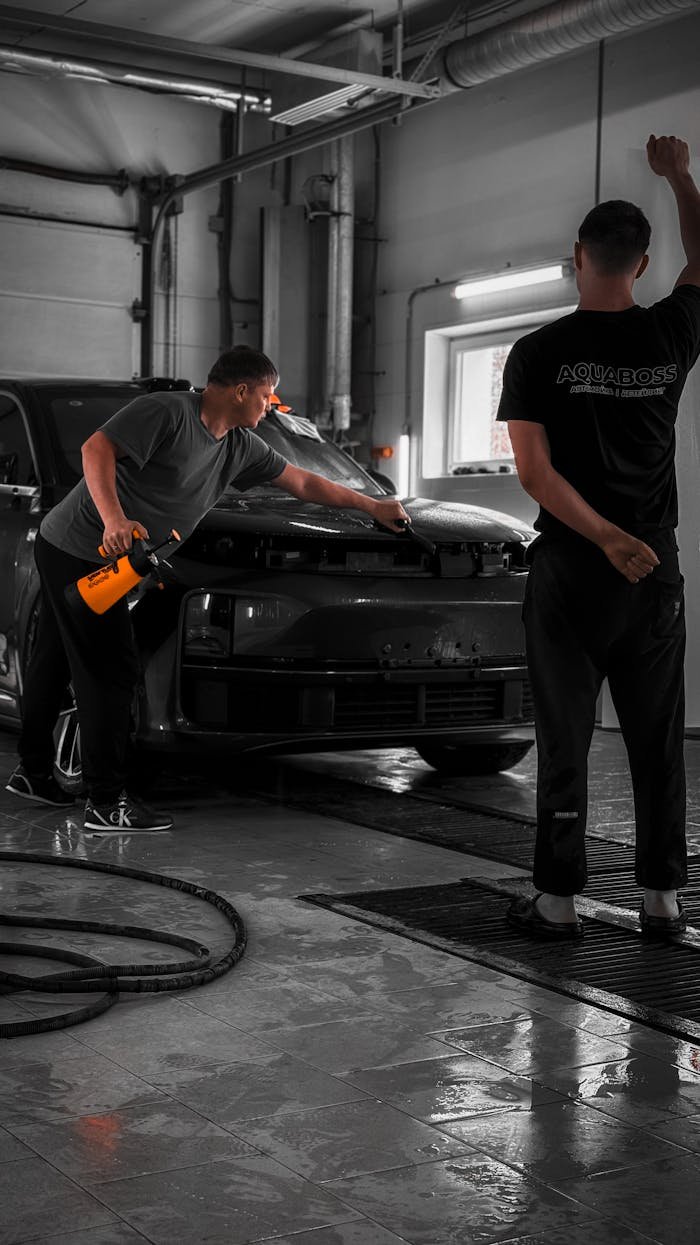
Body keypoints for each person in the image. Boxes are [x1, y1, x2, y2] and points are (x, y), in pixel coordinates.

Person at [7, 345, 409, 832]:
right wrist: (114, 519)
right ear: (241, 391)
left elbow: (303, 482)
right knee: (110, 671)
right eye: (266, 395)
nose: (269, 405)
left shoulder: (238, 445)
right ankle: (106, 800)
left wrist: (374, 505)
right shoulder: (168, 412)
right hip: (79, 552)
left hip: (96, 556)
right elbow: (96, 449)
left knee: (52, 660)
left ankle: (32, 773)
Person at [498, 134, 700, 939]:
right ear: (643, 265)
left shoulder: (538, 352)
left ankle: (556, 899)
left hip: (576, 572)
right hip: (654, 572)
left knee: (567, 736)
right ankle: (662, 899)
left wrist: (603, 537)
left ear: (575, 256)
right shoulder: (671, 334)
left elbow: (535, 475)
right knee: (657, 741)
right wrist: (681, 176)